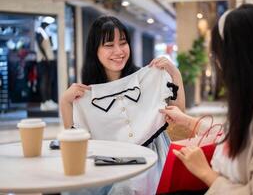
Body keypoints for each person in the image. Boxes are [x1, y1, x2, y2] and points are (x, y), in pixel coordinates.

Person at [160, 4, 253, 194]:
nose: (218, 64)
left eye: (218, 56)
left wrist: (205, 173)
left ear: (239, 60)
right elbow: (230, 135)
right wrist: (187, 121)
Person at [60, 16, 185, 194]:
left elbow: (180, 118)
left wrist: (175, 73)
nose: (118, 51)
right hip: (108, 164)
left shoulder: (147, 79)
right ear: (94, 50)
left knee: (126, 187)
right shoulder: (86, 93)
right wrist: (65, 102)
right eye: (109, 45)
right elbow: (74, 144)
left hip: (152, 160)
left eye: (123, 43)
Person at [35, 18, 58, 111]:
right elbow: (39, 45)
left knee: (48, 80)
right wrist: (45, 57)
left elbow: (49, 45)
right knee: (44, 80)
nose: (48, 25)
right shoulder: (39, 31)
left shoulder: (45, 32)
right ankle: (44, 102)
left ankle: (48, 100)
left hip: (48, 59)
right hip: (43, 60)